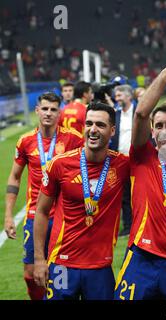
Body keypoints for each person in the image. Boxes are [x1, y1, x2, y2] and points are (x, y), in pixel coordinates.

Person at [114, 46, 166, 300]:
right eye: (159, 125)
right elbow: (140, 113)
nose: (164, 130)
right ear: (152, 131)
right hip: (141, 257)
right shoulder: (142, 157)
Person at [33, 102, 130, 300]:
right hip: (62, 264)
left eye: (100, 125)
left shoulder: (122, 165)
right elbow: (42, 211)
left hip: (100, 267)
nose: (93, 130)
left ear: (112, 131)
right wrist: (39, 259)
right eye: (89, 124)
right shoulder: (60, 164)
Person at [3, 92, 83, 300]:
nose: (48, 113)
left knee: (59, 273)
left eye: (53, 109)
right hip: (34, 215)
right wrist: (9, 215)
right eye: (45, 109)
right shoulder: (26, 141)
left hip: (64, 218)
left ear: (60, 113)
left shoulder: (74, 139)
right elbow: (14, 177)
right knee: (30, 275)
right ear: (37, 110)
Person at [109, 84, 136, 236]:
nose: (117, 99)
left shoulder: (138, 113)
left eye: (119, 95)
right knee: (124, 195)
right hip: (120, 160)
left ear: (129, 96)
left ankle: (140, 222)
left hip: (137, 160)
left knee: (138, 192)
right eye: (116, 96)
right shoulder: (116, 115)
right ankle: (128, 226)